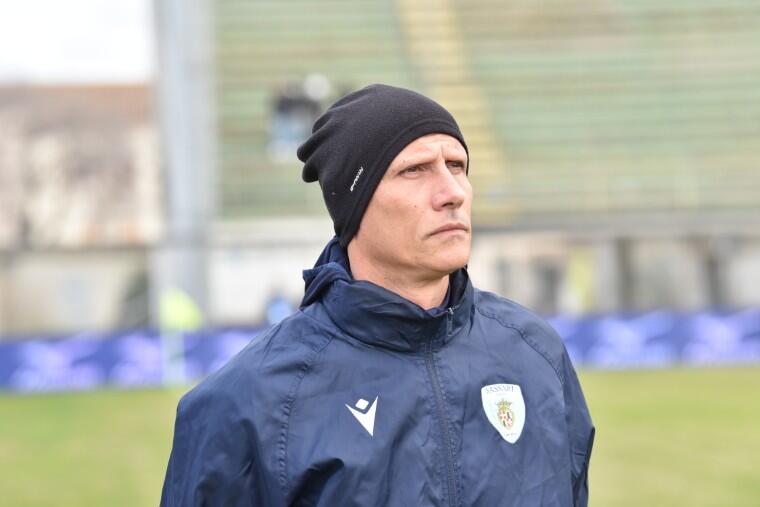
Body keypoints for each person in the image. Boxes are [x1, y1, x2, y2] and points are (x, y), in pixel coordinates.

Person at [160, 84, 595, 506]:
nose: (452, 193)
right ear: (355, 204)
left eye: (457, 165)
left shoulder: (536, 354)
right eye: (414, 170)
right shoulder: (247, 403)